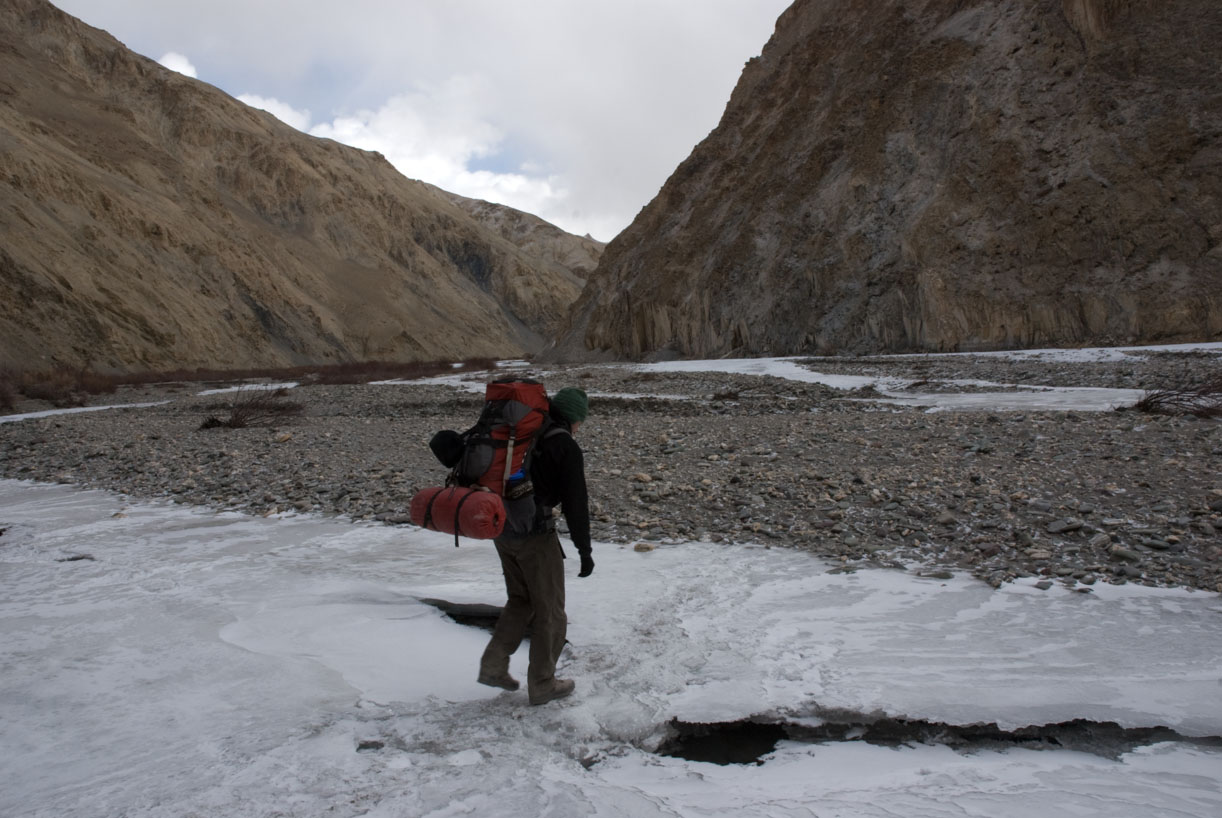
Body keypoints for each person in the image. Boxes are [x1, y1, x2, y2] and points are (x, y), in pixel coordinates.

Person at [477, 386, 594, 705]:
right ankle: (543, 683)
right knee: (552, 612)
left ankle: (492, 666)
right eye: (581, 420)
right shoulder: (563, 445)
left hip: (502, 529)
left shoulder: (523, 435)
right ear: (573, 418)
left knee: (520, 599)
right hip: (535, 535)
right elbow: (575, 502)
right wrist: (584, 550)